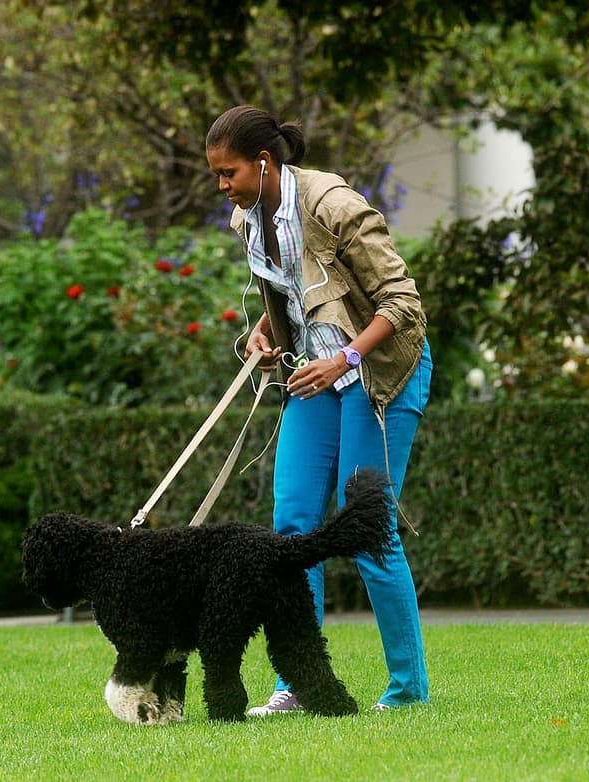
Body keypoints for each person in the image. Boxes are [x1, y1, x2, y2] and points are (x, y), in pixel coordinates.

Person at [204, 106, 434, 714]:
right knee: (292, 530)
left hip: (380, 371)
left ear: (263, 162)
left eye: (227, 173)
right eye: (216, 175)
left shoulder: (333, 204)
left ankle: (408, 691)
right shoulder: (248, 217)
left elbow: (403, 303)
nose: (221, 186)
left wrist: (346, 362)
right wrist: (264, 331)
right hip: (314, 372)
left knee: (368, 530)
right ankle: (298, 684)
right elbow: (290, 288)